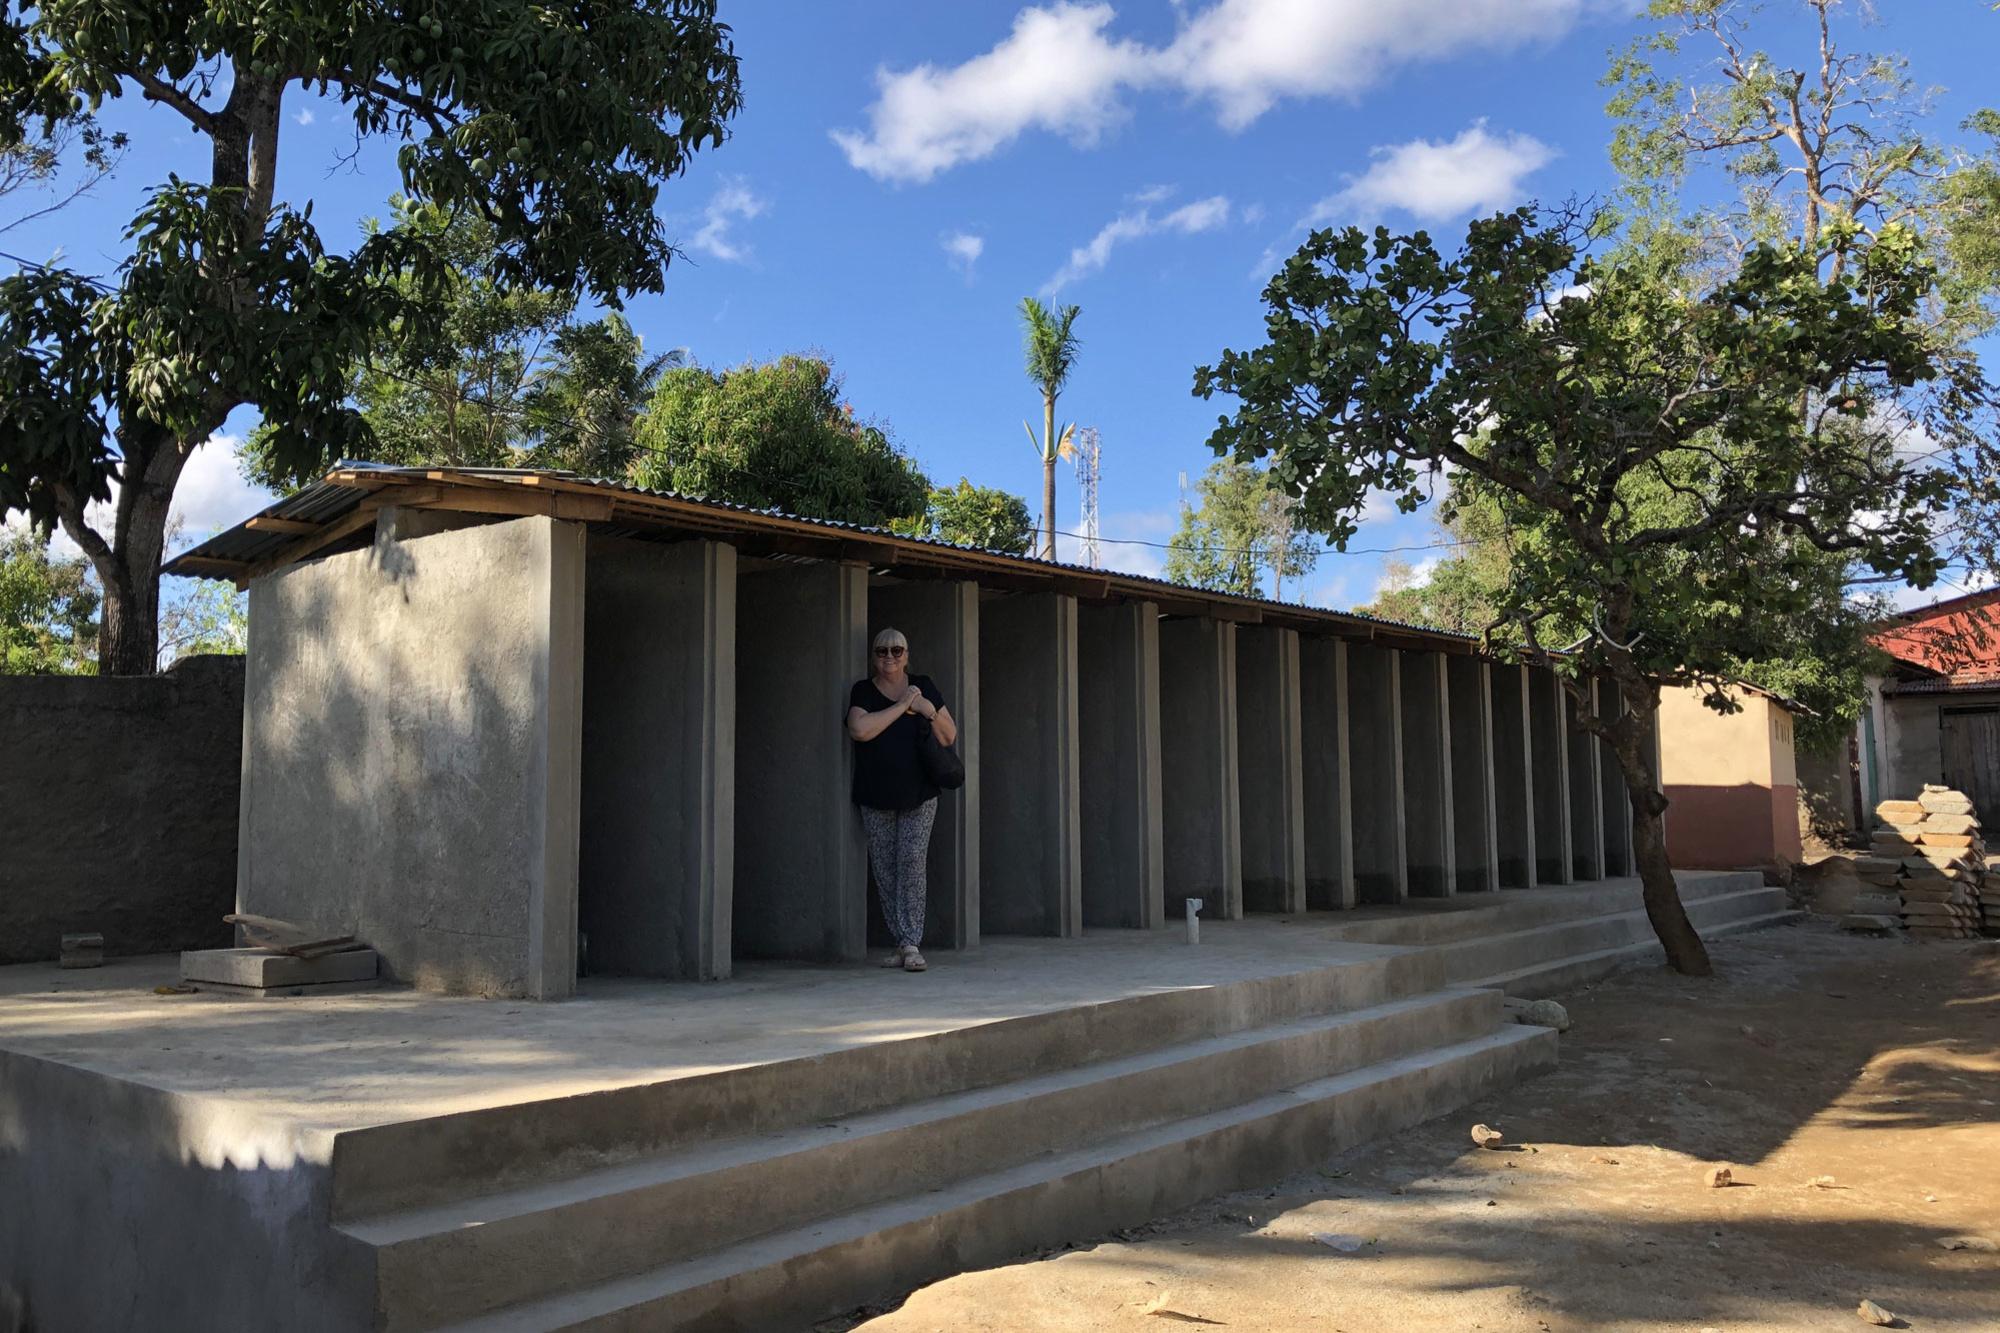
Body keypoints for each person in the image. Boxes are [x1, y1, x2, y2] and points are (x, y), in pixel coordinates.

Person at [846, 627, 957, 973]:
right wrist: (902, 705)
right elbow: (860, 730)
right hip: (875, 795)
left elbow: (949, 735)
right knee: (885, 869)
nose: (890, 657)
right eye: (882, 651)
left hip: (919, 795)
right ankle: (901, 941)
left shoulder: (923, 686)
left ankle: (911, 943)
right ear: (874, 656)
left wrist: (924, 707)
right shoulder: (863, 690)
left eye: (897, 651)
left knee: (910, 864)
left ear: (907, 655)